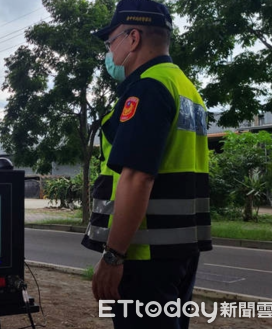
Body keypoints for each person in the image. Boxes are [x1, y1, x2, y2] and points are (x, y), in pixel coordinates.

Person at [81, 0, 212, 328]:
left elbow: (137, 177)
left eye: (111, 42)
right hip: (180, 253)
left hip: (144, 258)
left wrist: (113, 256)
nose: (110, 52)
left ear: (133, 38)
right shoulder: (186, 89)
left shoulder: (148, 88)